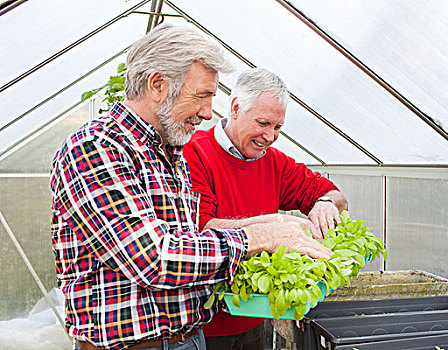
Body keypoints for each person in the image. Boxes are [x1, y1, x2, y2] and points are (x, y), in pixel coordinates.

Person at [50, 25, 332, 350]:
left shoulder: (171, 152)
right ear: (157, 85)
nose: (207, 112)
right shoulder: (96, 148)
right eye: (201, 96)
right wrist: (265, 235)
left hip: (189, 339)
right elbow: (153, 258)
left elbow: (190, 242)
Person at [184, 68, 348, 350]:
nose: (270, 136)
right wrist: (273, 228)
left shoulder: (274, 162)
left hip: (259, 317)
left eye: (278, 127)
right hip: (206, 326)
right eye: (263, 123)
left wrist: (325, 203)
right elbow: (199, 231)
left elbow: (335, 196)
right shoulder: (195, 153)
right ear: (235, 108)